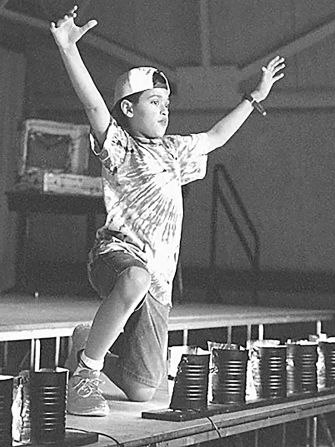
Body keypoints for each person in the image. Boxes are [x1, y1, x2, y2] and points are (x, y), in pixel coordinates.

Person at [50, 5, 285, 417]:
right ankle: (84, 374)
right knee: (134, 277)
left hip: (158, 282)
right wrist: (69, 49)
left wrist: (254, 98)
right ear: (127, 109)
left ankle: (87, 340)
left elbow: (215, 136)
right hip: (116, 257)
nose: (164, 110)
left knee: (143, 388)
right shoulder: (121, 146)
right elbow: (92, 107)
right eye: (155, 101)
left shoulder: (175, 150)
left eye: (167, 103)